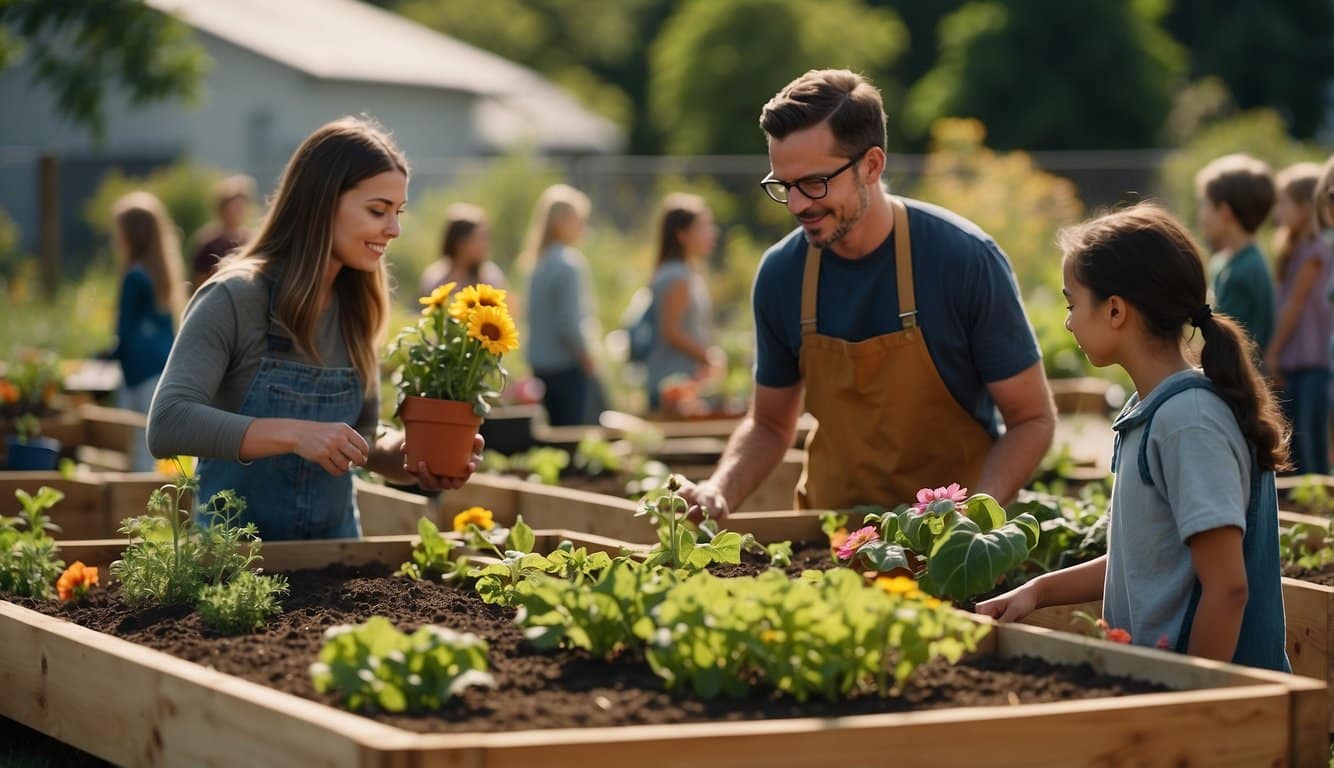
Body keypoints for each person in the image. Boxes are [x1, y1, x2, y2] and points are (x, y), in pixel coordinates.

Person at [678, 69, 1055, 518]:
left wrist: (975, 520)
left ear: (872, 165)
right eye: (784, 186)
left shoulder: (963, 261)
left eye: (814, 183)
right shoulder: (782, 274)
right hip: (829, 536)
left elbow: (1031, 420)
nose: (797, 205)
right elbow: (769, 423)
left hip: (950, 544)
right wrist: (719, 490)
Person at [977, 203, 1290, 672]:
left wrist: (1191, 702)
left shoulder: (1189, 421)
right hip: (1159, 691)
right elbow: (1145, 561)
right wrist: (1038, 591)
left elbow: (1228, 589)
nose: (1067, 322)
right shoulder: (1154, 411)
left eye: (1071, 304)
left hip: (1222, 716)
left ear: (1116, 310)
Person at [148, 117, 479, 540]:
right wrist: (293, 434)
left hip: (335, 566)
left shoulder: (358, 304)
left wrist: (414, 458)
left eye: (397, 213)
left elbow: (361, 435)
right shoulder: (235, 297)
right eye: (378, 210)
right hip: (234, 572)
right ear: (322, 203)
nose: (393, 229)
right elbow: (168, 422)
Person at [109, 191, 186, 472]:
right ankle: (146, 508)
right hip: (161, 369)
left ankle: (135, 510)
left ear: (130, 235)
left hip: (137, 373)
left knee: (133, 448)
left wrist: (103, 357)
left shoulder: (134, 276)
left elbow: (125, 334)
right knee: (148, 447)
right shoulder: (161, 274)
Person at [1264, 163, 1331, 474]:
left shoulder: (1315, 251)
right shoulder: (1294, 248)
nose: (1279, 210)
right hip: (1299, 362)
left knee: (1310, 440)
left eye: (1284, 202)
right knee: (1298, 440)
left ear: (1306, 208)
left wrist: (1273, 351)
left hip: (1313, 360)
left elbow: (1294, 307)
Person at [520, 183, 604, 426]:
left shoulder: (537, 264)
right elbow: (569, 322)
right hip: (567, 365)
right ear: (563, 222)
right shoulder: (569, 263)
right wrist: (587, 357)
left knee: (554, 434)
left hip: (541, 365)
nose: (582, 227)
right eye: (579, 220)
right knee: (575, 436)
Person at [641, 193, 724, 412]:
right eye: (703, 227)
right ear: (682, 234)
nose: (712, 233)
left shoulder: (684, 273)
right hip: (673, 384)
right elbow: (671, 331)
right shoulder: (677, 277)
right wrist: (708, 357)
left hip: (685, 382)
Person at [1195, 154, 1276, 353]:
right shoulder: (1223, 261)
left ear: (1225, 212)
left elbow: (1226, 344)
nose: (1201, 215)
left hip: (1236, 380)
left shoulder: (1245, 269)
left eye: (1205, 205)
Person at [418, 202, 508, 298]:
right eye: (479, 239)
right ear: (460, 243)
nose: (486, 246)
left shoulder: (491, 277)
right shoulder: (435, 280)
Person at [190, 174, 254, 291]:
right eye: (235, 205)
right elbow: (199, 282)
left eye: (242, 204)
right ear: (223, 207)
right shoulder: (208, 242)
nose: (239, 209)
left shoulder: (252, 240)